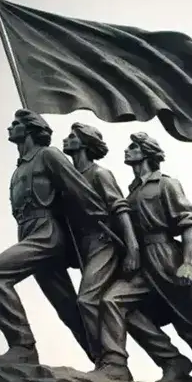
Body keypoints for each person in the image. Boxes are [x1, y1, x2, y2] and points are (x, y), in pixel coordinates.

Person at [0, 110, 109, 365]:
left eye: (16, 124)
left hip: (47, 233)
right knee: (67, 308)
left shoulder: (48, 155)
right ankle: (103, 359)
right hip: (27, 232)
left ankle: (23, 346)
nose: (10, 127)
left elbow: (79, 190)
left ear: (31, 129)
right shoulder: (19, 169)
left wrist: (98, 219)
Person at [93, 132, 192, 382]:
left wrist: (188, 262)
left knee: (186, 323)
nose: (127, 151)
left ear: (146, 152)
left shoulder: (166, 184)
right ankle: (168, 362)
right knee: (113, 302)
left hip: (166, 257)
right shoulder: (132, 192)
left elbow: (189, 223)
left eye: (133, 147)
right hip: (141, 261)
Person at [61, 123, 141, 360]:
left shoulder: (99, 174)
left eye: (72, 136)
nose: (65, 139)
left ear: (84, 143)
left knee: (87, 300)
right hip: (84, 246)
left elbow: (120, 209)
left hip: (104, 243)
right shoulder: (69, 177)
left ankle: (109, 358)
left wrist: (133, 247)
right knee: (117, 308)